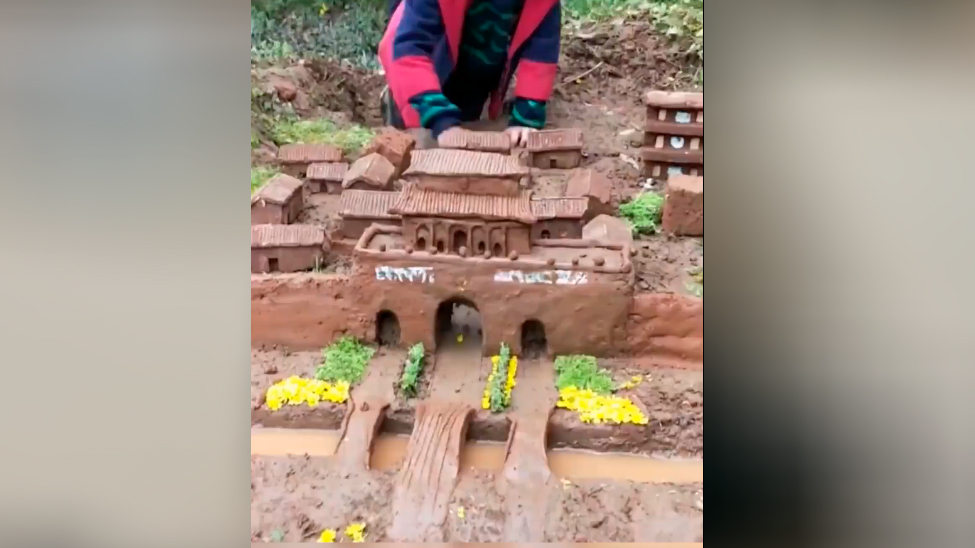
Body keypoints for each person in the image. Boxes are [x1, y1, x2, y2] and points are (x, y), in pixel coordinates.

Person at [379, 0, 560, 147]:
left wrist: (526, 119)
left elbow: (541, 50)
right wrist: (441, 120)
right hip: (420, 52)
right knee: (418, 131)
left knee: (466, 115)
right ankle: (400, 101)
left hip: (481, 58)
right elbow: (410, 50)